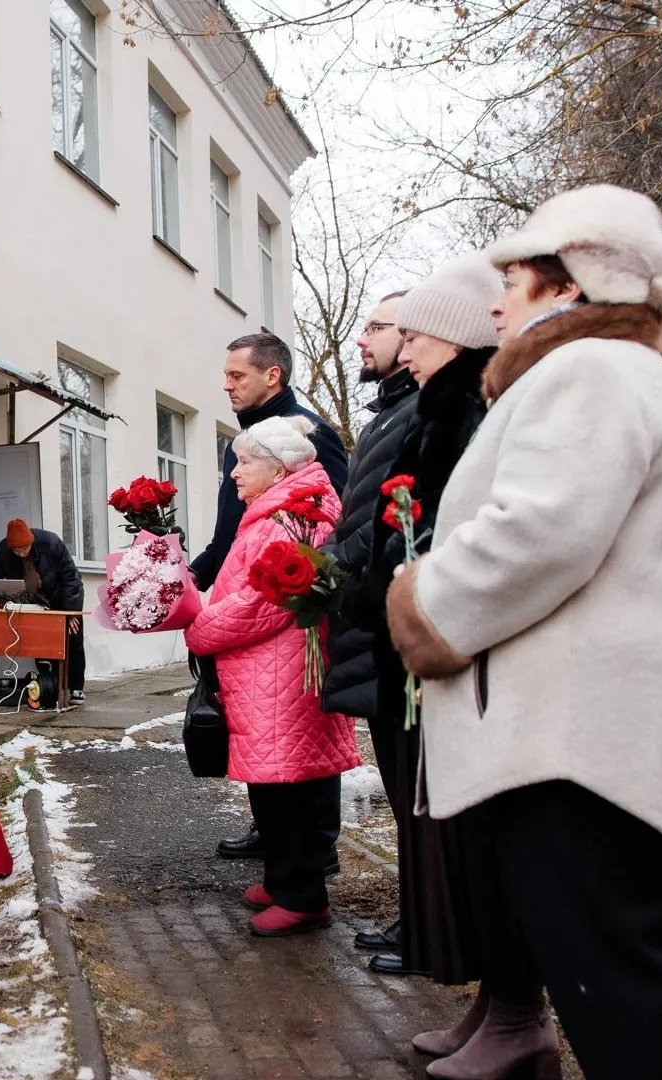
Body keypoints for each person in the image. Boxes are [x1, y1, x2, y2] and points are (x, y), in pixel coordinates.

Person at [387, 186, 662, 1080]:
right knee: (609, 963)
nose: (495, 304)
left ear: (569, 283)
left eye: (512, 280)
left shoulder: (590, 370)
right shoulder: (612, 370)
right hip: (588, 730)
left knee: (611, 977)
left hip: (579, 739)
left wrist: (423, 603)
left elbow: (541, 532)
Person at [348, 256, 507, 1004]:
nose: (403, 349)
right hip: (409, 634)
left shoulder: (462, 412)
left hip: (439, 641)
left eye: (413, 336)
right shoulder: (432, 409)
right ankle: (479, 987)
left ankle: (482, 981)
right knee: (419, 800)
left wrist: (392, 594)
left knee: (448, 814)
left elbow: (442, 528)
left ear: (453, 336)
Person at [179, 416, 358, 936]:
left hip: (281, 673)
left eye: (245, 462)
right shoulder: (278, 511)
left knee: (288, 787)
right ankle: (283, 880)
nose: (234, 473)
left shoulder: (292, 517)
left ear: (279, 470)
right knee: (273, 782)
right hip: (269, 673)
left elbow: (263, 602)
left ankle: (303, 896)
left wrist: (198, 627)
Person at [191, 333, 349, 861]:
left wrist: (292, 593)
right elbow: (229, 531)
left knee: (298, 725)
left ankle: (316, 845)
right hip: (245, 599)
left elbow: (327, 520)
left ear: (272, 375)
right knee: (263, 727)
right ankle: (277, 836)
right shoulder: (243, 443)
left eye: (237, 375)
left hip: (287, 614)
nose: (227, 385)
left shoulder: (307, 435)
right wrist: (193, 576)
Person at [317, 290, 419, 968]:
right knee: (407, 789)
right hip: (374, 625)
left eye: (377, 326)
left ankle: (428, 926)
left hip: (394, 627)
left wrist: (325, 570)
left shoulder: (417, 413)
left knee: (418, 791)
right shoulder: (389, 413)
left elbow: (386, 528)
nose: (361, 338)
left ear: (414, 337)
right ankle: (421, 918)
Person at [0, 518, 86, 705]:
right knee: (41, 647)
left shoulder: (51, 543)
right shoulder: (4, 550)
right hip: (34, 604)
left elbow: (71, 578)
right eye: (16, 550)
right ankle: (49, 687)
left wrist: (72, 613)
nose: (21, 553)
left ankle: (76, 687)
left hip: (61, 600)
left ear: (31, 540)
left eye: (24, 549)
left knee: (72, 642)